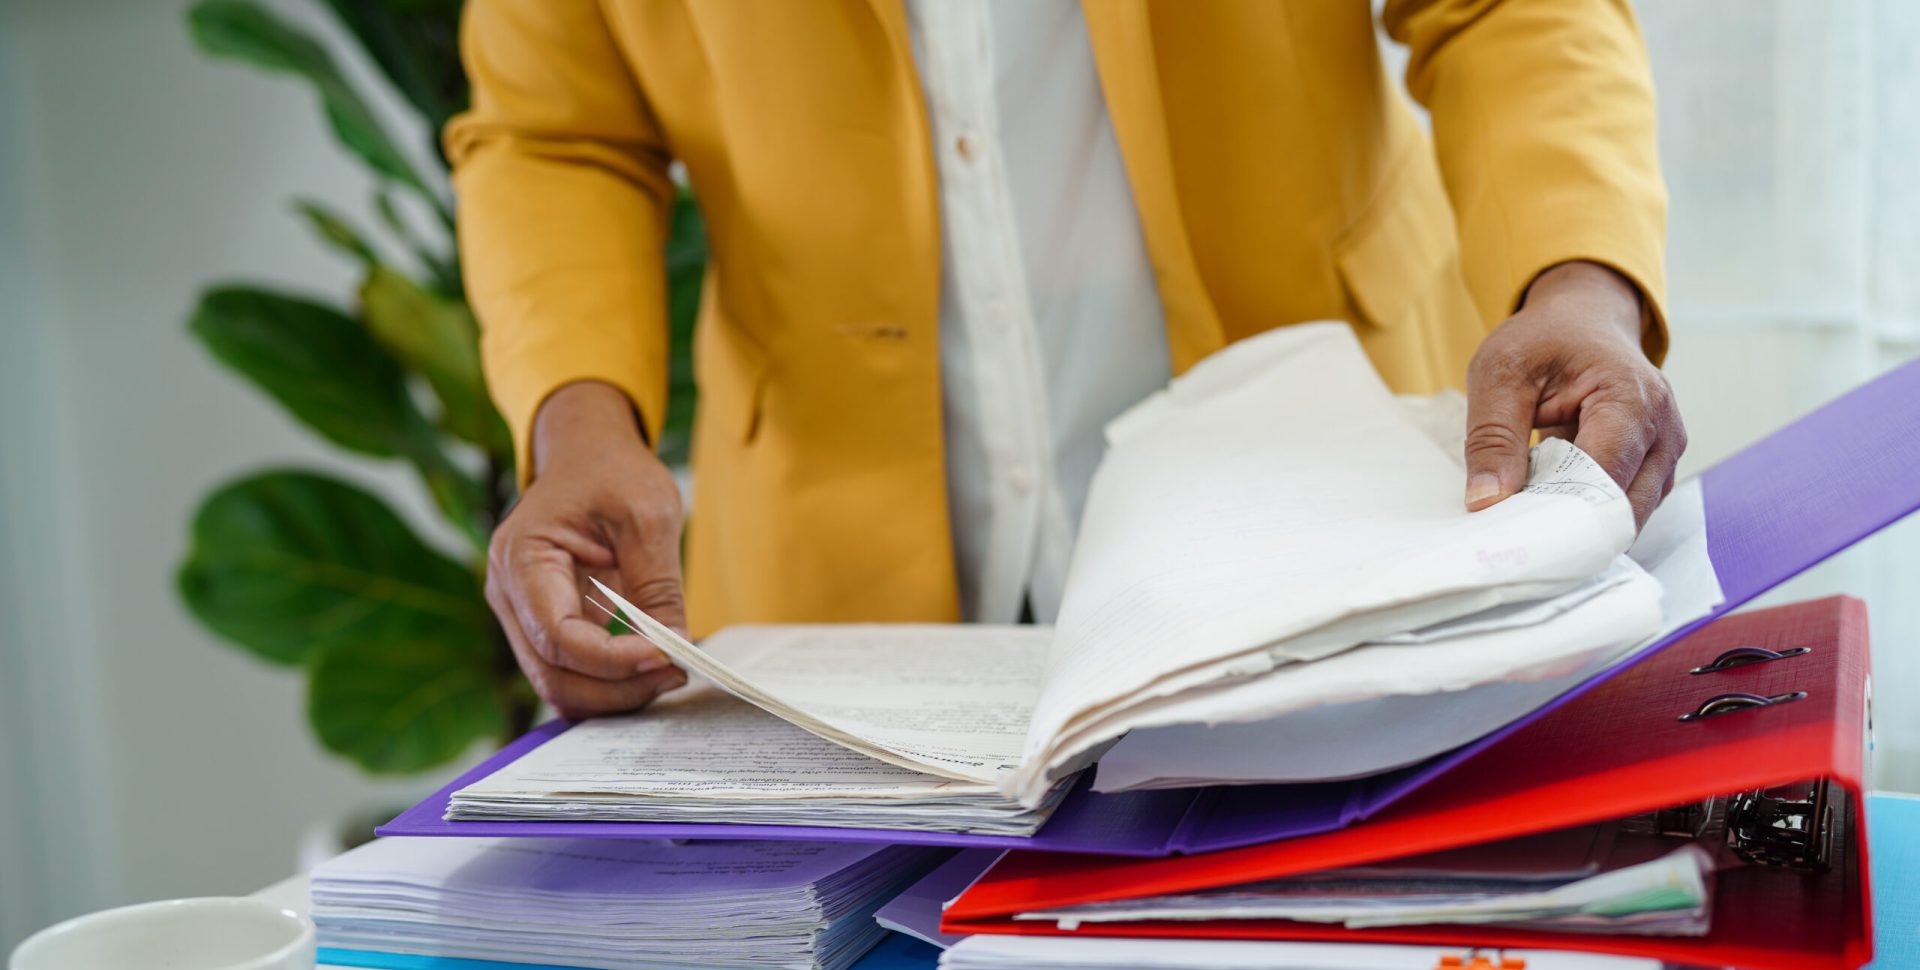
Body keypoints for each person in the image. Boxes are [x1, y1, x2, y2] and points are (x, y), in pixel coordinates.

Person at [450, 0, 1685, 720]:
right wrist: (579, 423)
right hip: (843, 576)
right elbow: (557, 132)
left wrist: (1579, 279)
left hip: (1330, 488)